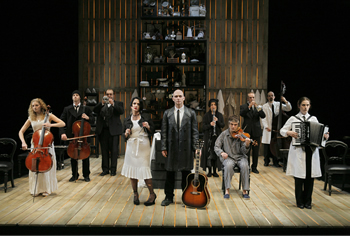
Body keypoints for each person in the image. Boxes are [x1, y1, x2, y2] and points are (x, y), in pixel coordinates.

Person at [280, 97, 329, 209]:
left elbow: (320, 134)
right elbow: (282, 130)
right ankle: (299, 201)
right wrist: (289, 132)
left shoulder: (313, 119)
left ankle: (308, 201)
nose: (305, 107)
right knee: (298, 178)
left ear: (309, 106)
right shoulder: (293, 118)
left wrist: (325, 136)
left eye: (307, 105)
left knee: (309, 177)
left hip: (311, 151)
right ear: (299, 106)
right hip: (299, 151)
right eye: (303, 105)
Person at [19, 98, 65, 197]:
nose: (34, 107)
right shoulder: (31, 118)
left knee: (46, 166)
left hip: (46, 145)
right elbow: (21, 131)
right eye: (33, 106)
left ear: (41, 106)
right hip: (35, 145)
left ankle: (46, 189)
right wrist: (23, 142)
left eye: (36, 105)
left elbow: (62, 123)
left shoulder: (48, 115)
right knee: (34, 166)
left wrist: (50, 124)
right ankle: (35, 189)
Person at [160, 89, 199, 206]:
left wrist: (196, 147)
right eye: (175, 96)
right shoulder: (167, 113)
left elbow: (195, 132)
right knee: (170, 173)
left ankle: (186, 197)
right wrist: (163, 147)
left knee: (186, 174)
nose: (177, 98)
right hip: (171, 147)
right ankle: (168, 197)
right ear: (172, 98)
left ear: (183, 98)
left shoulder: (191, 113)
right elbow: (164, 132)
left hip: (186, 147)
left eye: (180, 96)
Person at [121, 97, 156, 206]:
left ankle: (152, 194)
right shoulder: (127, 120)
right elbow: (124, 137)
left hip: (143, 145)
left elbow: (152, 131)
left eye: (138, 104)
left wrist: (148, 127)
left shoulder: (145, 118)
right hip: (132, 146)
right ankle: (135, 194)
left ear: (140, 106)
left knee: (145, 170)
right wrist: (126, 133)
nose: (136, 105)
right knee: (133, 171)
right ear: (131, 106)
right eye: (134, 103)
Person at [59, 90, 95, 182]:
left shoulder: (85, 108)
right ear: (72, 97)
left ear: (80, 97)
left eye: (77, 95)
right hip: (73, 136)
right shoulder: (67, 109)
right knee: (73, 156)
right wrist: (62, 133)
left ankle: (86, 175)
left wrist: (87, 118)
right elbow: (62, 122)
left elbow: (92, 119)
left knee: (85, 156)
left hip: (84, 136)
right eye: (73, 95)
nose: (75, 96)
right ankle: (74, 175)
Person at [214, 115, 251, 199]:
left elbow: (244, 151)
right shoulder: (223, 134)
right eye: (231, 124)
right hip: (229, 157)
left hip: (240, 156)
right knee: (228, 166)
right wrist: (222, 153)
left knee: (245, 166)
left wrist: (247, 145)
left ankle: (245, 190)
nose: (233, 126)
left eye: (235, 124)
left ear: (238, 125)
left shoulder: (241, 135)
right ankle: (227, 190)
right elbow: (216, 146)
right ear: (228, 124)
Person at [94, 88, 124, 176]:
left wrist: (113, 104)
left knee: (114, 151)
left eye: (111, 94)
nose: (109, 96)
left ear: (113, 95)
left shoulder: (118, 103)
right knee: (104, 151)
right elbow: (94, 110)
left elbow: (121, 111)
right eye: (107, 94)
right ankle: (105, 169)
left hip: (114, 131)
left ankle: (113, 169)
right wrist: (102, 103)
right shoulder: (101, 104)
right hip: (103, 131)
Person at [261, 91, 292, 167]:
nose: (270, 97)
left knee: (275, 145)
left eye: (272, 95)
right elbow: (263, 117)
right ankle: (266, 160)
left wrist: (285, 101)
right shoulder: (264, 106)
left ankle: (276, 161)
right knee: (267, 146)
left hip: (276, 128)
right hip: (268, 128)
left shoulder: (278, 104)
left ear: (274, 97)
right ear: (267, 97)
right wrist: (266, 126)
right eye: (269, 96)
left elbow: (289, 108)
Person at [240, 92, 266, 174]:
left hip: (256, 131)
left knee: (256, 151)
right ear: (247, 98)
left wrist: (257, 108)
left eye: (253, 97)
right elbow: (242, 114)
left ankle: (254, 167)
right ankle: (246, 167)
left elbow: (263, 115)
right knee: (247, 150)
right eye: (250, 97)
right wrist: (249, 107)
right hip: (247, 132)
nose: (252, 99)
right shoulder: (244, 106)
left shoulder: (258, 107)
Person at [200, 99, 225, 177]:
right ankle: (209, 171)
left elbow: (222, 125)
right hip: (208, 137)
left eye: (214, 105)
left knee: (216, 154)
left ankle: (215, 171)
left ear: (216, 106)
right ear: (209, 106)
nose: (213, 106)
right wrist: (210, 124)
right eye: (211, 105)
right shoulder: (206, 115)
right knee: (208, 153)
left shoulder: (219, 115)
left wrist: (217, 121)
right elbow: (203, 127)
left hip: (217, 137)